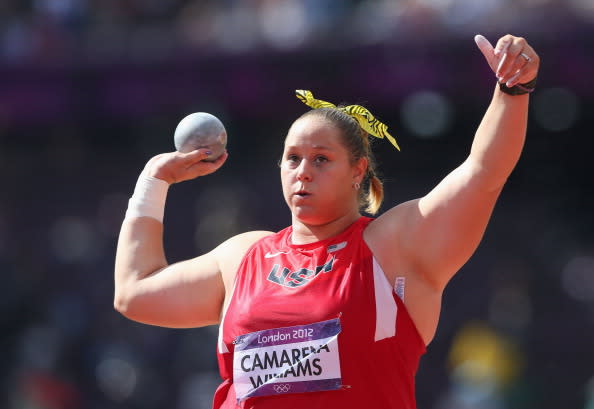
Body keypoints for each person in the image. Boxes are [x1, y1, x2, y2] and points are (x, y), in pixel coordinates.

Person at [114, 34, 540, 409]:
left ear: (358, 171)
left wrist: (512, 89)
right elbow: (134, 292)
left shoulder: (392, 247)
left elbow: (483, 172)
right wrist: (154, 180)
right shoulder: (243, 257)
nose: (302, 171)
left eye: (321, 159)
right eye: (292, 158)